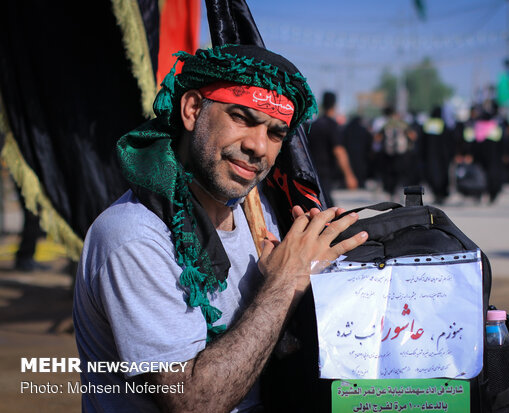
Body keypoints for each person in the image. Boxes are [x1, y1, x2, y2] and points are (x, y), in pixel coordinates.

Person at [72, 44, 368, 413]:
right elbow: (194, 403)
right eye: (241, 117)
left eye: (276, 133)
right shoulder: (134, 236)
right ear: (192, 110)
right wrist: (286, 281)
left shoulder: (265, 217)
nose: (257, 146)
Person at [307, 91, 358, 207]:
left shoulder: (314, 125)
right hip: (326, 171)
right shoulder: (332, 125)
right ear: (334, 105)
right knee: (327, 205)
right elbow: (339, 151)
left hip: (312, 169)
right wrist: (349, 175)